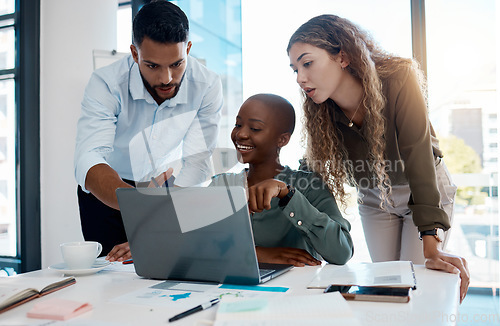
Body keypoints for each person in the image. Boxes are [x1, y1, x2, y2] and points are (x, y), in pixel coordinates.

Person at [287, 14, 469, 301]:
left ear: (342, 56)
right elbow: (311, 166)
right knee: (386, 290)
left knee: (415, 286)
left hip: (421, 191)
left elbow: (419, 156)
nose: (300, 78)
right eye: (294, 69)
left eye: (307, 63)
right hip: (374, 200)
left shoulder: (398, 78)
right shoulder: (321, 110)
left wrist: (431, 242)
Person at [74, 1, 223, 260]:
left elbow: (197, 161)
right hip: (109, 190)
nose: (166, 78)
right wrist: (141, 206)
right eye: (153, 65)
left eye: (177, 64)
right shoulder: (106, 83)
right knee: (112, 274)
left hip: (166, 190)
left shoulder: (207, 85)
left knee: (164, 267)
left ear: (188, 49)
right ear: (135, 53)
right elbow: (89, 158)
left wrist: (160, 219)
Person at [210, 93, 353, 266]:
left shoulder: (309, 186)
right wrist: (256, 254)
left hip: (293, 290)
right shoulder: (220, 185)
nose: (240, 134)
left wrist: (287, 195)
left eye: (255, 128)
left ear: (282, 139)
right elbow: (196, 248)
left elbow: (342, 252)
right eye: (238, 124)